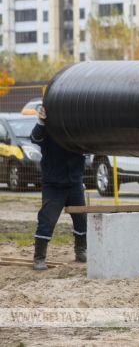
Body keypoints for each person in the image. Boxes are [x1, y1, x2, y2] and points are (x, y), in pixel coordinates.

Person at [32, 105, 87, 270]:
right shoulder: (49, 128)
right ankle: (39, 258)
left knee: (81, 219)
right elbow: (35, 138)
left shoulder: (78, 130)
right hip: (54, 184)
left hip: (74, 182)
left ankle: (81, 251)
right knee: (47, 220)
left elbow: (90, 145)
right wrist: (41, 122)